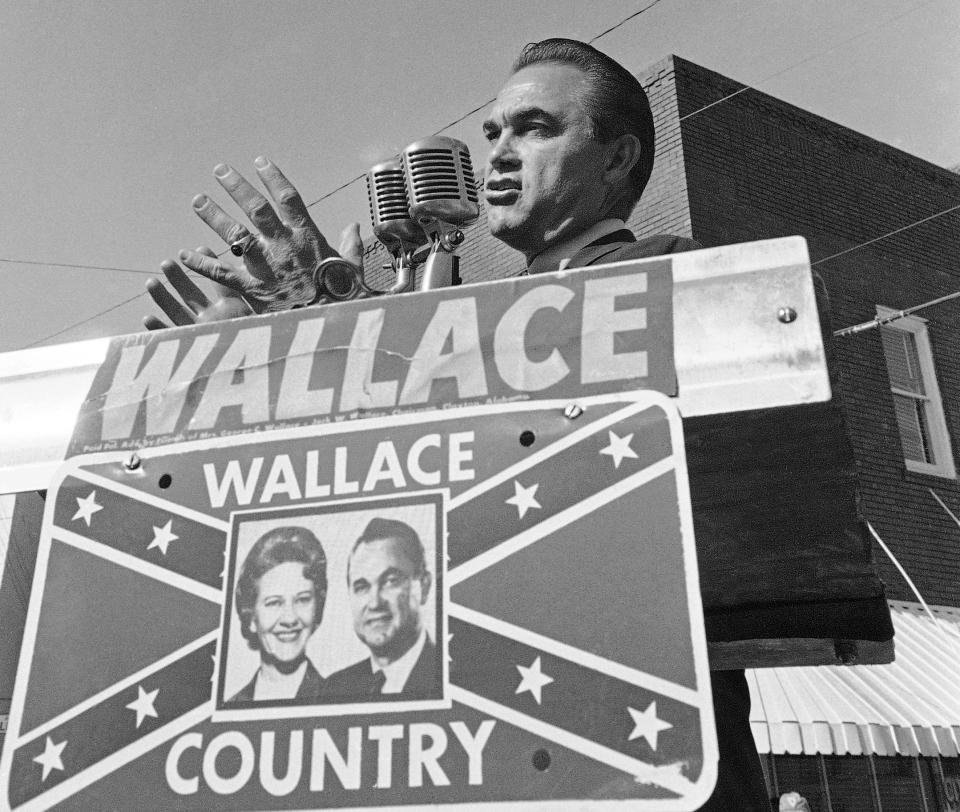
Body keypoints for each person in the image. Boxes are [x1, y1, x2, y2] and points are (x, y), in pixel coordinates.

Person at [148, 37, 771, 811]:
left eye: (536, 128)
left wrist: (343, 324)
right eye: (493, 135)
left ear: (617, 160)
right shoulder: (466, 318)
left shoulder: (659, 271)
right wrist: (241, 372)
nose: (500, 154)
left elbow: (523, 449)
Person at [325, 518, 440, 701]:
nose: (374, 603)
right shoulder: (332, 689)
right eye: (362, 587)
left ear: (424, 586)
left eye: (390, 581)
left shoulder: (451, 675)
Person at [229, 526, 327, 704]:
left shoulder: (335, 698)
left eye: (302, 600)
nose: (290, 619)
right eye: (274, 603)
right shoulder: (231, 706)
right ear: (251, 616)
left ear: (317, 610)